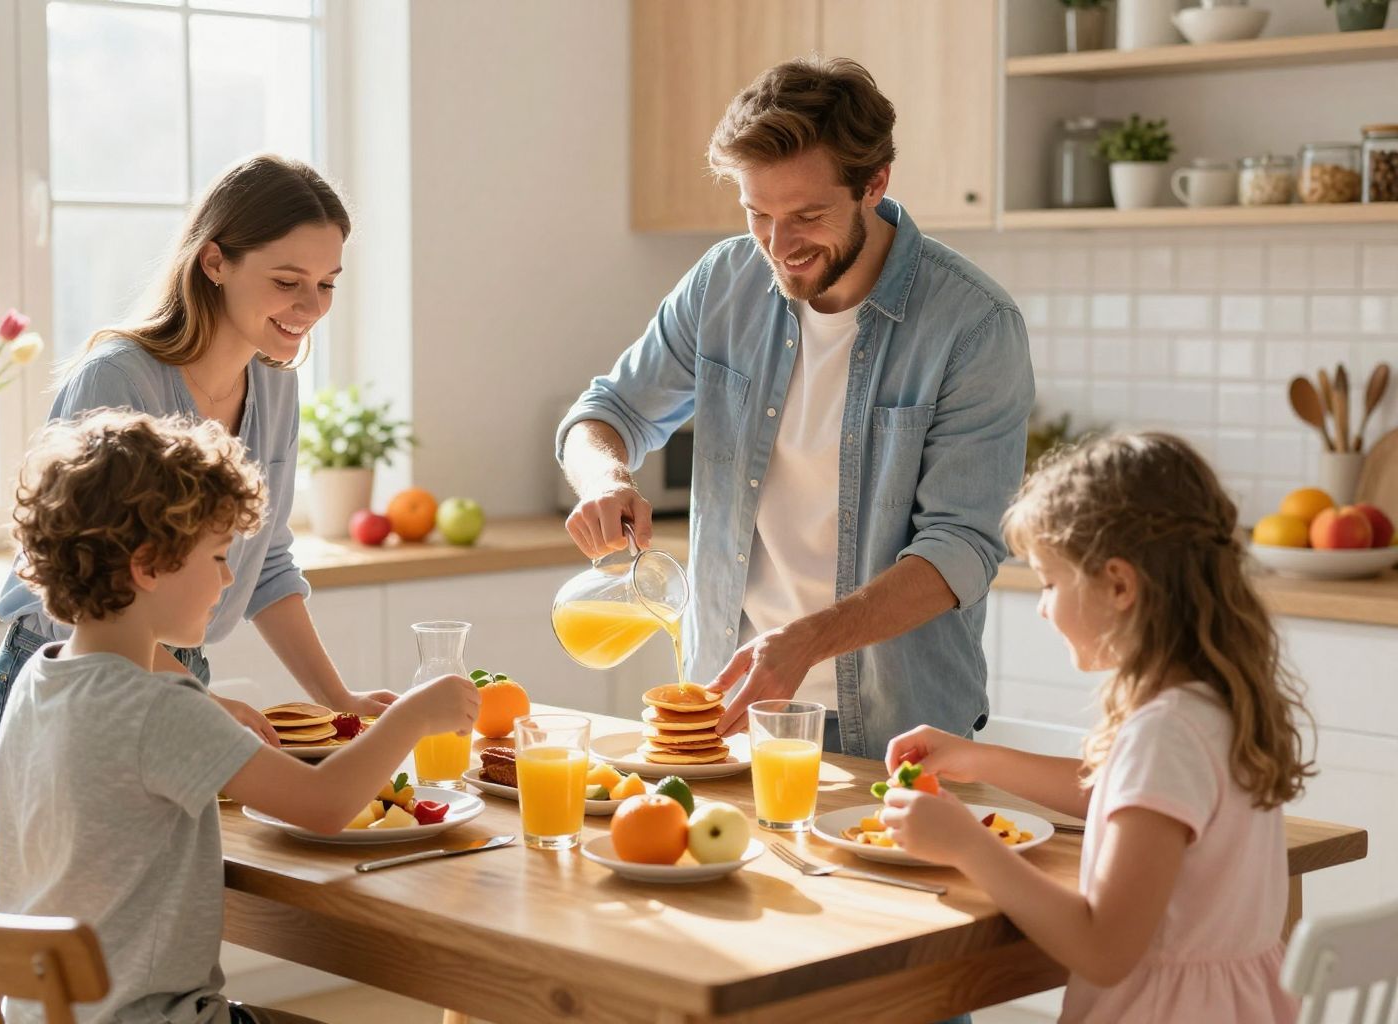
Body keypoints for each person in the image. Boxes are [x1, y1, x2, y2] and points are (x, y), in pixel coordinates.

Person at [556, 57, 1033, 756]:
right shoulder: (724, 283)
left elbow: (959, 549)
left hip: (897, 731)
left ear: (874, 185)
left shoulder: (973, 323)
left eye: (808, 216)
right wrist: (605, 478)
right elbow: (605, 412)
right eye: (758, 214)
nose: (779, 247)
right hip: (726, 711)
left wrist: (804, 642)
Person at [0, 410, 479, 1024]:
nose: (228, 580)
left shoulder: (40, 678)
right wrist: (410, 716)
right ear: (148, 565)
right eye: (218, 557)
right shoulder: (156, 708)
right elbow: (325, 805)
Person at [879, 433, 1312, 1023]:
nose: (1043, 606)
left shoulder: (1165, 733)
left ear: (1119, 584)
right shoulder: (1212, 705)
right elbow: (1115, 797)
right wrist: (974, 760)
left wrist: (965, 843)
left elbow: (1103, 949)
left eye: (1050, 582)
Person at [0, 153, 390, 763]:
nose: (311, 307)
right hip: (73, 677)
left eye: (326, 283)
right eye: (287, 281)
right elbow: (64, 583)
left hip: (178, 672)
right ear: (216, 260)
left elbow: (266, 564)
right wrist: (187, 697)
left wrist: (340, 699)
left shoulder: (276, 386)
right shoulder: (118, 380)